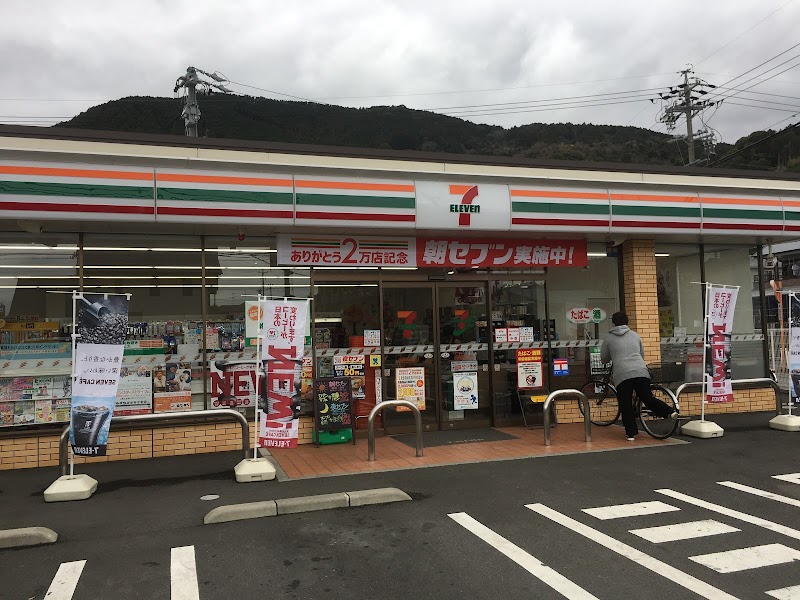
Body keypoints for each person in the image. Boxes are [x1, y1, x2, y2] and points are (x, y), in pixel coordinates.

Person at [600, 311, 678, 441]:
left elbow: (604, 359)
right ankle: (669, 412)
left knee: (625, 404)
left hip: (622, 374)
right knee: (647, 398)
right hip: (640, 370)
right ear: (627, 322)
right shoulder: (635, 335)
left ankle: (631, 434)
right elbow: (641, 355)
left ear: (613, 322)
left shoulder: (608, 338)